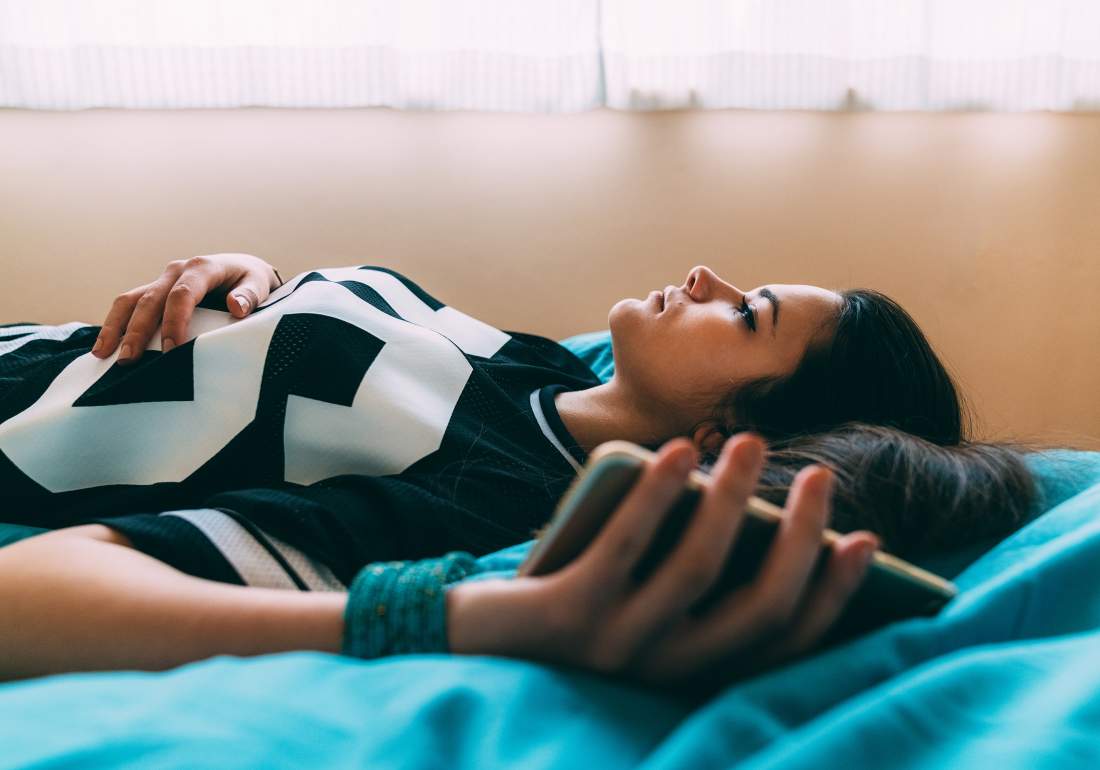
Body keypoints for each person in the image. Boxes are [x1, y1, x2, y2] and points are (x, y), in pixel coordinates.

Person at [0, 252, 988, 683]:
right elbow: (309, 335)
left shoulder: (486, 495)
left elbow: (26, 592)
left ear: (724, 438)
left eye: (743, 313)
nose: (702, 277)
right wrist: (243, 271)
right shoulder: (549, 366)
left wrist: (448, 617)